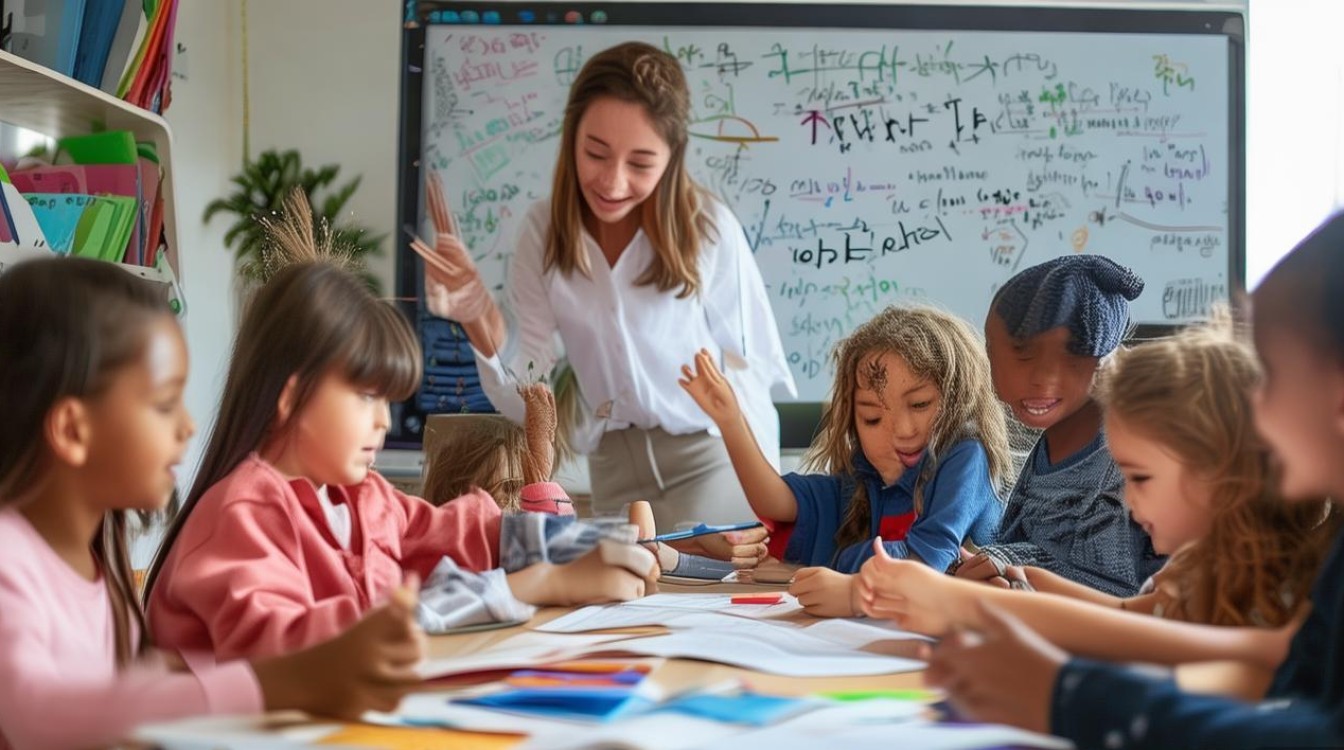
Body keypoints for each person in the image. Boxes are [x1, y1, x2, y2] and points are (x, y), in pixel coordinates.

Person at [145, 194, 657, 661]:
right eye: (366, 395)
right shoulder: (241, 516)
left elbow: (468, 534)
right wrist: (533, 585)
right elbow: (305, 649)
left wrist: (598, 543)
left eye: (387, 399)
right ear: (290, 397)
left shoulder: (361, 499)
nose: (385, 420)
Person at [917, 213, 1344, 748]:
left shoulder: (1287, 573)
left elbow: (1294, 711)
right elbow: (1272, 667)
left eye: (1273, 376)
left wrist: (1068, 694)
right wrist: (1005, 594)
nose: (1254, 408)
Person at [0, 258, 425, 750]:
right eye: (164, 405)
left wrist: (178, 673)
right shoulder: (10, 561)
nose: (189, 425)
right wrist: (275, 683)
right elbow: (42, 712)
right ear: (73, 429)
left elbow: (105, 700)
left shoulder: (91, 566)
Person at [414, 41, 795, 528]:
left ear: (673, 156)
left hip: (711, 461)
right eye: (596, 153)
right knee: (623, 599)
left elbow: (748, 374)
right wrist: (477, 315)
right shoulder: (541, 231)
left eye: (640, 164)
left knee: (709, 597)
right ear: (571, 136)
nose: (613, 183)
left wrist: (776, 514)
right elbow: (527, 398)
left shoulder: (708, 229)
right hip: (613, 469)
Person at [858, 319, 1336, 699]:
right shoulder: (1200, 561)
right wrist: (1031, 582)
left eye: (1141, 478)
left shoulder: (1282, 582)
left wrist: (973, 604)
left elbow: (1157, 645)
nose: (1126, 500)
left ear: (1222, 473)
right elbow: (1134, 615)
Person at [680, 304, 1008, 616]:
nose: (903, 431)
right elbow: (775, 502)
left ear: (959, 399)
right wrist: (731, 422)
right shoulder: (867, 479)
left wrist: (836, 568)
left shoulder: (966, 455)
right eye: (872, 418)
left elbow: (925, 562)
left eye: (920, 404)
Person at [958, 255, 1164, 596]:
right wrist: (985, 567)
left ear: (1105, 358)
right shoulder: (1050, 445)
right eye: (1021, 356)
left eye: (1069, 358)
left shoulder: (1125, 459)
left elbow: (1123, 590)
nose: (1041, 379)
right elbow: (1015, 540)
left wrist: (1013, 568)